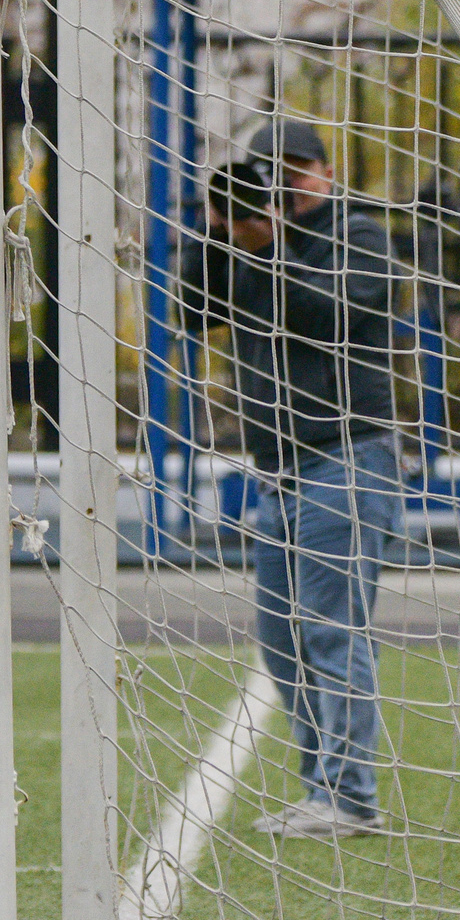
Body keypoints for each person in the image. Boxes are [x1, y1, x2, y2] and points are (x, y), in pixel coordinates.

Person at [179, 118, 404, 840]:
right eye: (272, 170)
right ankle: (322, 789)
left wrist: (267, 244)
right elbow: (191, 311)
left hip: (347, 457)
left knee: (333, 628)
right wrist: (220, 231)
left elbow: (324, 311)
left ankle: (350, 795)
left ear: (325, 173)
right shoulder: (247, 242)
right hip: (276, 470)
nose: (287, 183)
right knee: (283, 638)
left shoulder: (360, 236)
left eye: (300, 168)